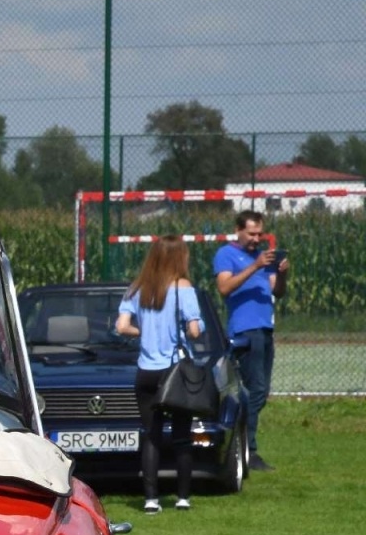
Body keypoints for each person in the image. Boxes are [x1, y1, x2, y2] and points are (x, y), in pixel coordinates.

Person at [115, 236, 202, 513]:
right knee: (181, 435)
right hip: (173, 372)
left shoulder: (138, 288)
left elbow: (122, 326)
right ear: (179, 258)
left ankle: (151, 499)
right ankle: (183, 497)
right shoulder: (183, 288)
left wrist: (145, 333)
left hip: (146, 373)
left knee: (151, 435)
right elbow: (195, 330)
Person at [213, 210, 290, 471]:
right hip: (245, 331)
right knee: (253, 390)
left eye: (260, 234)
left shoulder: (261, 258)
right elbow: (224, 287)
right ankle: (248, 449)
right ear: (239, 231)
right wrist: (254, 266)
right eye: (252, 233)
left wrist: (280, 274)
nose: (257, 238)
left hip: (265, 330)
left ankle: (243, 443)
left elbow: (277, 291)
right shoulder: (227, 255)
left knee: (261, 391)